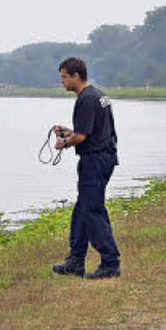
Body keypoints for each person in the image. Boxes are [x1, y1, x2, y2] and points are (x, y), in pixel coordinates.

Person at [51, 57, 121, 279]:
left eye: (64, 77)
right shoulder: (99, 95)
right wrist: (70, 131)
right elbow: (92, 130)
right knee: (83, 209)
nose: (61, 81)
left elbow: (82, 137)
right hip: (105, 156)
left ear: (75, 76)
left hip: (95, 160)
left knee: (92, 211)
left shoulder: (85, 99)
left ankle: (110, 263)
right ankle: (76, 260)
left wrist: (64, 142)